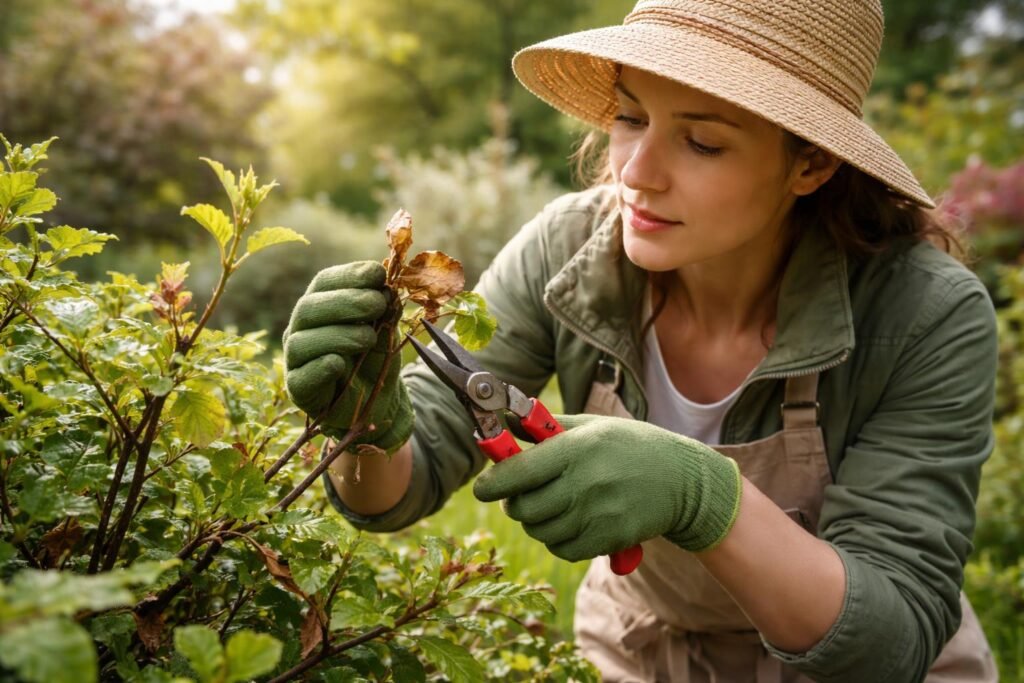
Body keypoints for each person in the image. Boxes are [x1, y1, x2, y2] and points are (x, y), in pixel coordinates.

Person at [281, 1, 1001, 681]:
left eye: (702, 141)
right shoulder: (566, 251)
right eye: (630, 117)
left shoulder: (924, 313)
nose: (635, 171)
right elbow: (398, 489)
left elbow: (892, 638)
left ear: (810, 163)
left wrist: (707, 499)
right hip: (643, 651)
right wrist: (365, 419)